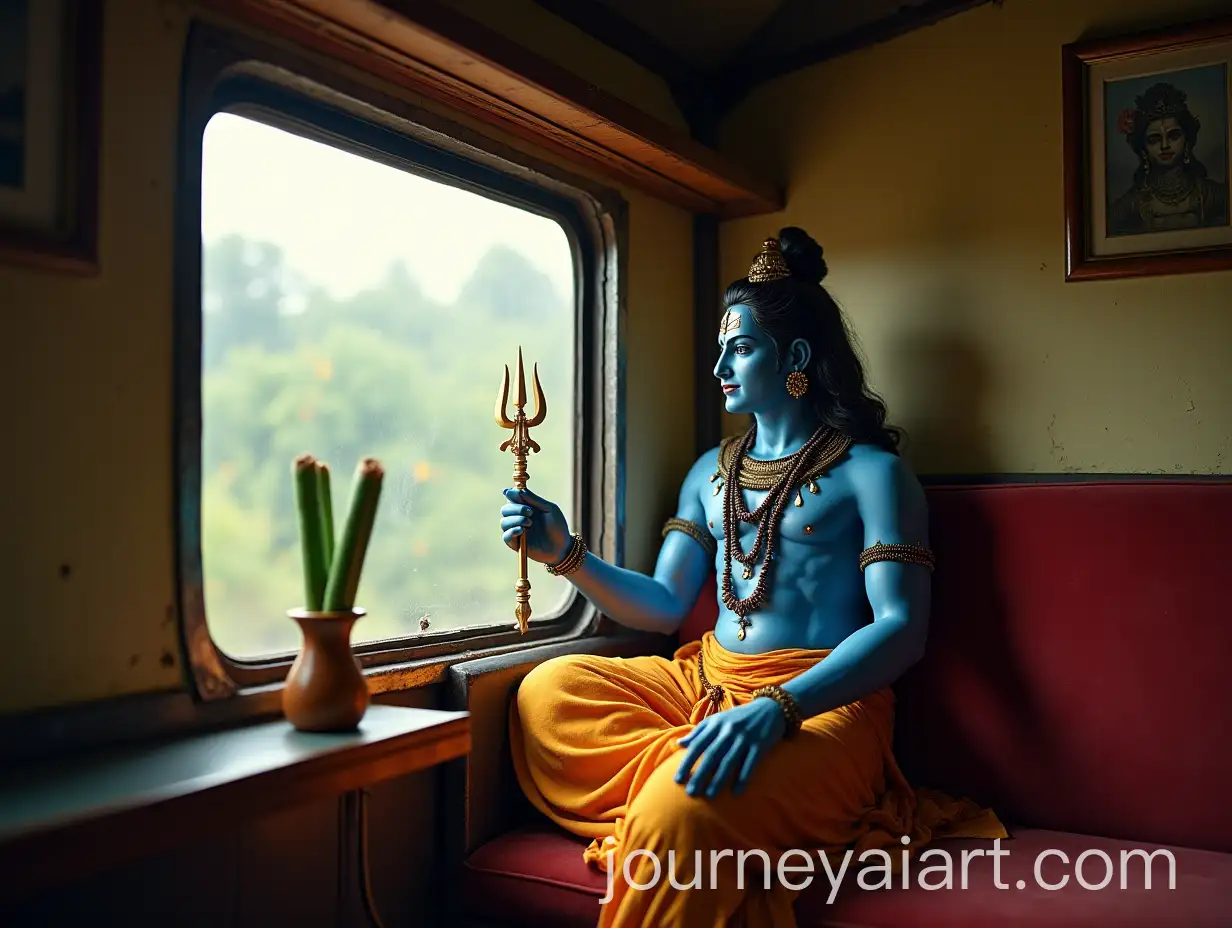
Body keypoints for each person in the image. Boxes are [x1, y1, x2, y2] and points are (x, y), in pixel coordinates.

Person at [497, 228, 1004, 927]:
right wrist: (565, 555)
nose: (719, 369)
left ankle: (688, 808)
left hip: (823, 706)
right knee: (545, 694)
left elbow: (900, 631)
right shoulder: (710, 471)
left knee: (682, 814)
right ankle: (702, 789)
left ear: (794, 356)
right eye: (720, 350)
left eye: (739, 349)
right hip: (706, 681)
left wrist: (778, 710)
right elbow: (666, 605)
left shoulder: (873, 475)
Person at [1109, 81, 1228, 235]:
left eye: (1173, 136)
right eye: (1154, 139)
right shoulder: (1131, 204)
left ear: (1187, 141)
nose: (1165, 145)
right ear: (1143, 148)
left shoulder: (1212, 195)